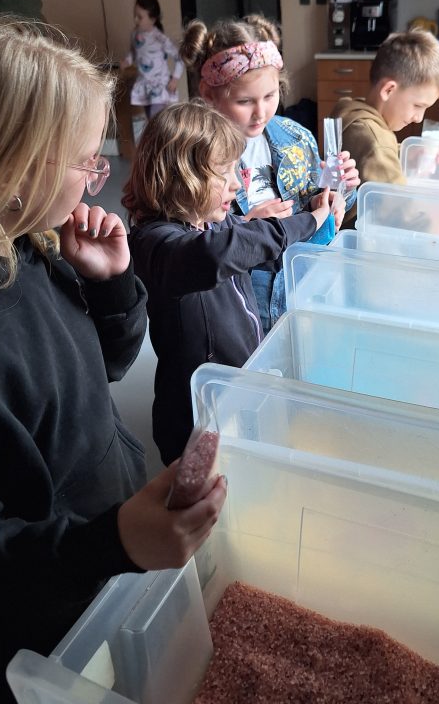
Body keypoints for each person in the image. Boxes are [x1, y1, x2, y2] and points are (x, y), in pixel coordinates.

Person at [0, 17, 227, 704]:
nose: (96, 174)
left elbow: (106, 366)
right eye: (86, 161)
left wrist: (110, 285)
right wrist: (110, 542)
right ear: (10, 171)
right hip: (36, 627)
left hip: (104, 556)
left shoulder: (32, 250)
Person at [122, 100, 337, 465]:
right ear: (181, 177)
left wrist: (321, 212)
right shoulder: (154, 243)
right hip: (196, 415)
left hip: (238, 395)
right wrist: (308, 222)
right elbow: (218, 253)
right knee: (207, 492)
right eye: (224, 173)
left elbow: (265, 251)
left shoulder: (213, 225)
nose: (237, 184)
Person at [184, 14, 359, 331]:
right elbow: (185, 246)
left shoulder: (295, 136)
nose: (261, 112)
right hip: (244, 295)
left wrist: (335, 192)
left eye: (270, 96)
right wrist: (246, 227)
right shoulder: (194, 157)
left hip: (299, 280)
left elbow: (312, 197)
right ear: (209, 93)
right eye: (244, 101)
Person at [331, 29, 439, 227]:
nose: (419, 118)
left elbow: (370, 155)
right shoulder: (377, 142)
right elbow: (402, 214)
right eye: (418, 105)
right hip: (358, 237)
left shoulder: (350, 110)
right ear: (388, 90)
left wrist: (404, 154)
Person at [121, 0, 184, 123]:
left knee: (156, 120)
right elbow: (134, 52)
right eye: (135, 16)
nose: (136, 20)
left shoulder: (160, 38)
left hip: (160, 85)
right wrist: (127, 61)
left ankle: (161, 135)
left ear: (153, 19)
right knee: (150, 118)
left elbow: (179, 58)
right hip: (144, 83)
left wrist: (175, 79)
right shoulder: (135, 34)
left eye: (140, 17)